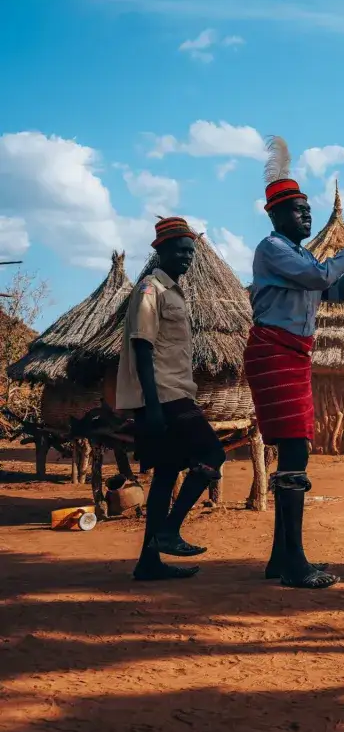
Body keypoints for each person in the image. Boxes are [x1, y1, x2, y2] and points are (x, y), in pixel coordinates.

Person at [245, 137, 344, 588]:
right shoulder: (273, 250)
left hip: (293, 354)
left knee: (293, 450)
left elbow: (337, 291)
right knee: (295, 451)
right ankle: (295, 562)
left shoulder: (300, 253)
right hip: (274, 352)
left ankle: (280, 559)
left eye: (308, 210)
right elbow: (322, 276)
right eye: (298, 210)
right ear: (275, 215)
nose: (306, 216)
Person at [117, 217, 226, 581]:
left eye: (190, 252)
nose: (187, 257)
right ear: (160, 251)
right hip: (164, 395)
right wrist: (150, 406)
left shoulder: (173, 292)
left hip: (171, 391)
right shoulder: (151, 290)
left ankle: (148, 562)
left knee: (166, 472)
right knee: (213, 453)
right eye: (180, 250)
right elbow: (142, 348)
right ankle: (170, 529)